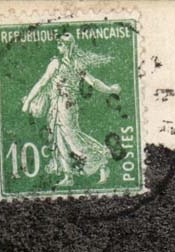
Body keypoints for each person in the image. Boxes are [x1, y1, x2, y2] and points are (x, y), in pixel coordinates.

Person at [21, 33, 121, 187]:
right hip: (56, 106)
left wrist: (109, 89)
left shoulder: (75, 63)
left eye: (61, 44)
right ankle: (68, 176)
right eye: (58, 44)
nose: (58, 47)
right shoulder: (56, 62)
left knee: (72, 137)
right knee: (58, 137)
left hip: (68, 106)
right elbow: (42, 82)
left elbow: (93, 82)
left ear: (68, 46)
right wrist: (28, 100)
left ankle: (101, 162)